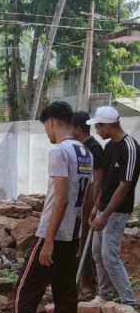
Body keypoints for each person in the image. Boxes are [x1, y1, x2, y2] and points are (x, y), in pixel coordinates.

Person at [0, 101, 93, 313]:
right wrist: (80, 235)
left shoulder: (60, 152)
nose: (46, 133)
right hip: (72, 234)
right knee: (65, 292)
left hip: (53, 233)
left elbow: (60, 198)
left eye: (45, 128)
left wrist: (48, 239)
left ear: (51, 122)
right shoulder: (85, 152)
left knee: (25, 291)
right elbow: (88, 199)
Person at [88, 105, 140, 308]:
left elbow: (124, 186)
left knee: (109, 255)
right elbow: (107, 182)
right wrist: (96, 207)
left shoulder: (131, 147)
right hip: (103, 208)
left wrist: (106, 214)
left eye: (98, 127)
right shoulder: (109, 147)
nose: (97, 132)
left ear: (108, 126)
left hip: (117, 211)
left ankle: (128, 301)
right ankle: (105, 294)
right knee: (96, 252)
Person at [71, 110, 104, 297]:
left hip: (89, 202)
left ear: (76, 128)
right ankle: (77, 282)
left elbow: (99, 180)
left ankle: (88, 286)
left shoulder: (94, 148)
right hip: (79, 202)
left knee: (86, 243)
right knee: (77, 242)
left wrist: (93, 205)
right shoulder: (79, 147)